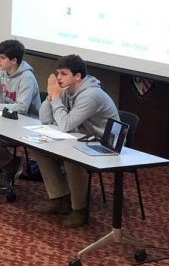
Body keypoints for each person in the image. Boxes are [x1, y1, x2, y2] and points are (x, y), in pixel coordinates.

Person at [31, 54, 119, 228]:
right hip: (79, 137)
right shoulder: (66, 91)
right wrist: (50, 97)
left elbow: (65, 124)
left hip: (103, 144)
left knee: (72, 161)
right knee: (38, 147)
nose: (59, 78)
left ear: (77, 76)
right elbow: (45, 119)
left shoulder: (91, 94)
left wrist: (55, 98)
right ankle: (59, 197)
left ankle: (80, 210)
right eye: (58, 73)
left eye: (63, 74)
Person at [0, 39, 42, 171]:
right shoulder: (2, 72)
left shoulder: (27, 77)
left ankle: (8, 166)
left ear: (14, 60)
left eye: (2, 58)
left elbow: (21, 109)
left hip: (24, 124)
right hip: (4, 118)